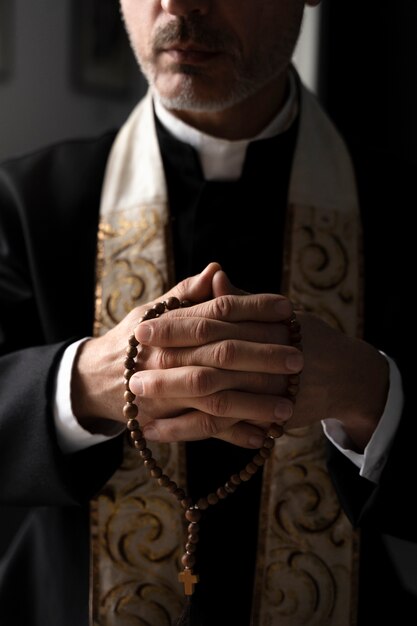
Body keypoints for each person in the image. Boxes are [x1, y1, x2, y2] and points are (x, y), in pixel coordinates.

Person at [0, 1, 414, 625]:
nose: (176, 3)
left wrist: (369, 392)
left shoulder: (403, 210)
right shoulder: (24, 202)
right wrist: (79, 383)